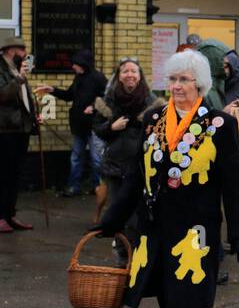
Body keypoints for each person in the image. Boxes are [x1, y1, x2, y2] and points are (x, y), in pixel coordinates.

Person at [93, 50, 239, 308]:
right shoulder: (152, 120)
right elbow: (135, 178)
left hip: (194, 234)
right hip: (154, 231)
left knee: (184, 306)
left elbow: (232, 185)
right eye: (173, 80)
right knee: (168, 303)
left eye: (185, 80)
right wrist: (112, 221)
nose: (178, 86)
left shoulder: (218, 125)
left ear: (201, 85)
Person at [92, 58, 165, 261]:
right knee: (118, 211)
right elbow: (97, 128)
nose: (130, 75)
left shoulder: (152, 103)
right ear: (119, 76)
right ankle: (123, 255)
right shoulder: (107, 101)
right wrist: (111, 128)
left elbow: (160, 133)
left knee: (136, 214)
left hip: (141, 167)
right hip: (115, 166)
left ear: (140, 76)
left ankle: (135, 253)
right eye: (125, 71)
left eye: (134, 71)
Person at [34, 48, 108, 197]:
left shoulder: (99, 78)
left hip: (94, 126)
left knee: (96, 159)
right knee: (76, 158)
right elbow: (69, 96)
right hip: (78, 126)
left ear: (83, 64)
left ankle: (98, 188)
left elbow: (107, 99)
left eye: (75, 64)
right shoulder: (78, 78)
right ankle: (74, 186)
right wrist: (52, 90)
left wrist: (94, 107)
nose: (73, 66)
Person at [0, 39, 39, 232]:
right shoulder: (3, 70)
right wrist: (20, 78)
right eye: (21, 49)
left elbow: (23, 99)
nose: (25, 53)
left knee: (15, 174)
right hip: (5, 130)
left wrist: (33, 117)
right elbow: (3, 95)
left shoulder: (17, 70)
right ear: (10, 51)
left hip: (20, 129)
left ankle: (10, 214)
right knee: (3, 174)